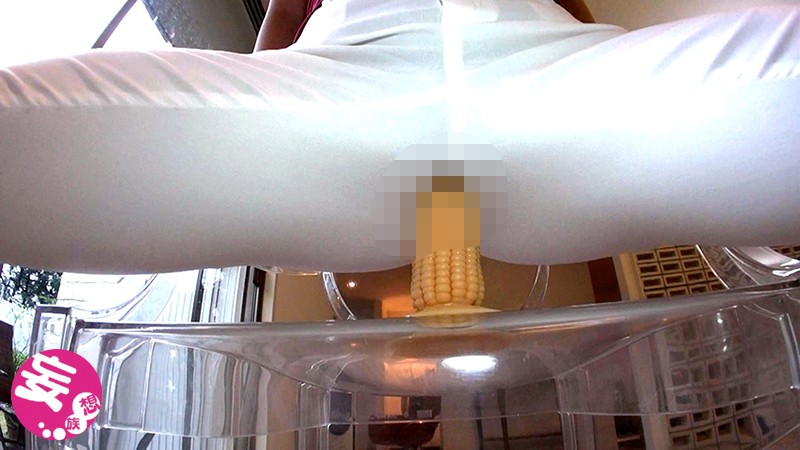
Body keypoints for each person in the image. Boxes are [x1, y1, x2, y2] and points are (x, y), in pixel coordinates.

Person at [0, 0, 798, 274]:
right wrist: (264, 79)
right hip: (344, 100)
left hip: (559, 89)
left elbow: (576, 16)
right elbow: (280, 36)